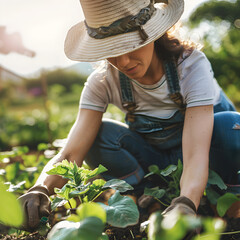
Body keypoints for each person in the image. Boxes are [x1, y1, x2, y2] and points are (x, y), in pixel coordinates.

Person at [19, 0, 240, 230]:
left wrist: (186, 202)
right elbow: (72, 151)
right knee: (98, 135)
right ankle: (148, 199)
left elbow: (195, 154)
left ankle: (224, 205)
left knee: (230, 127)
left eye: (131, 45)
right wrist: (40, 188)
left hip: (206, 158)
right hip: (156, 166)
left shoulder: (191, 66)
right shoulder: (103, 82)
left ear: (153, 35)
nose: (123, 62)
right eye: (112, 51)